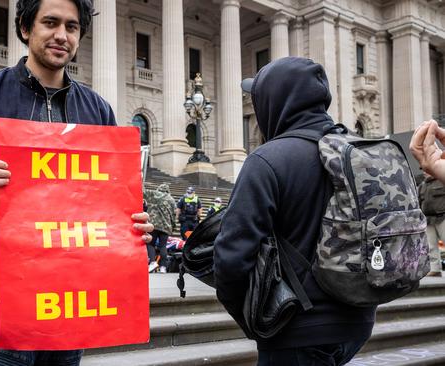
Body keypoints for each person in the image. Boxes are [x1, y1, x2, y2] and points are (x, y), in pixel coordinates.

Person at [0, 0, 153, 365]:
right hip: (2, 293)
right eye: (50, 22)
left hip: (73, 296)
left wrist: (136, 219)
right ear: (26, 28)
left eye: (72, 27)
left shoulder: (97, 110)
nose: (62, 35)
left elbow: (115, 197)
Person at [214, 57, 375, 365]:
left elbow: (232, 258)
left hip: (296, 329)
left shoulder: (267, 160)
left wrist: (254, 318)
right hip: (357, 324)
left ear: (275, 101)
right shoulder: (358, 151)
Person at [144, 183, 176, 273]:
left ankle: (153, 262)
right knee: (163, 246)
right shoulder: (171, 199)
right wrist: (173, 227)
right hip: (166, 227)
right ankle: (163, 267)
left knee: (150, 244)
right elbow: (174, 215)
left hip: (153, 225)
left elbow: (144, 192)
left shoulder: (154, 194)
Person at [418, 173, 445, 276]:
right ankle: (435, 269)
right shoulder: (422, 185)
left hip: (442, 217)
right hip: (428, 219)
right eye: (423, 170)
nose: (425, 172)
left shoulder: (442, 180)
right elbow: (418, 201)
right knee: (430, 246)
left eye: (427, 170)